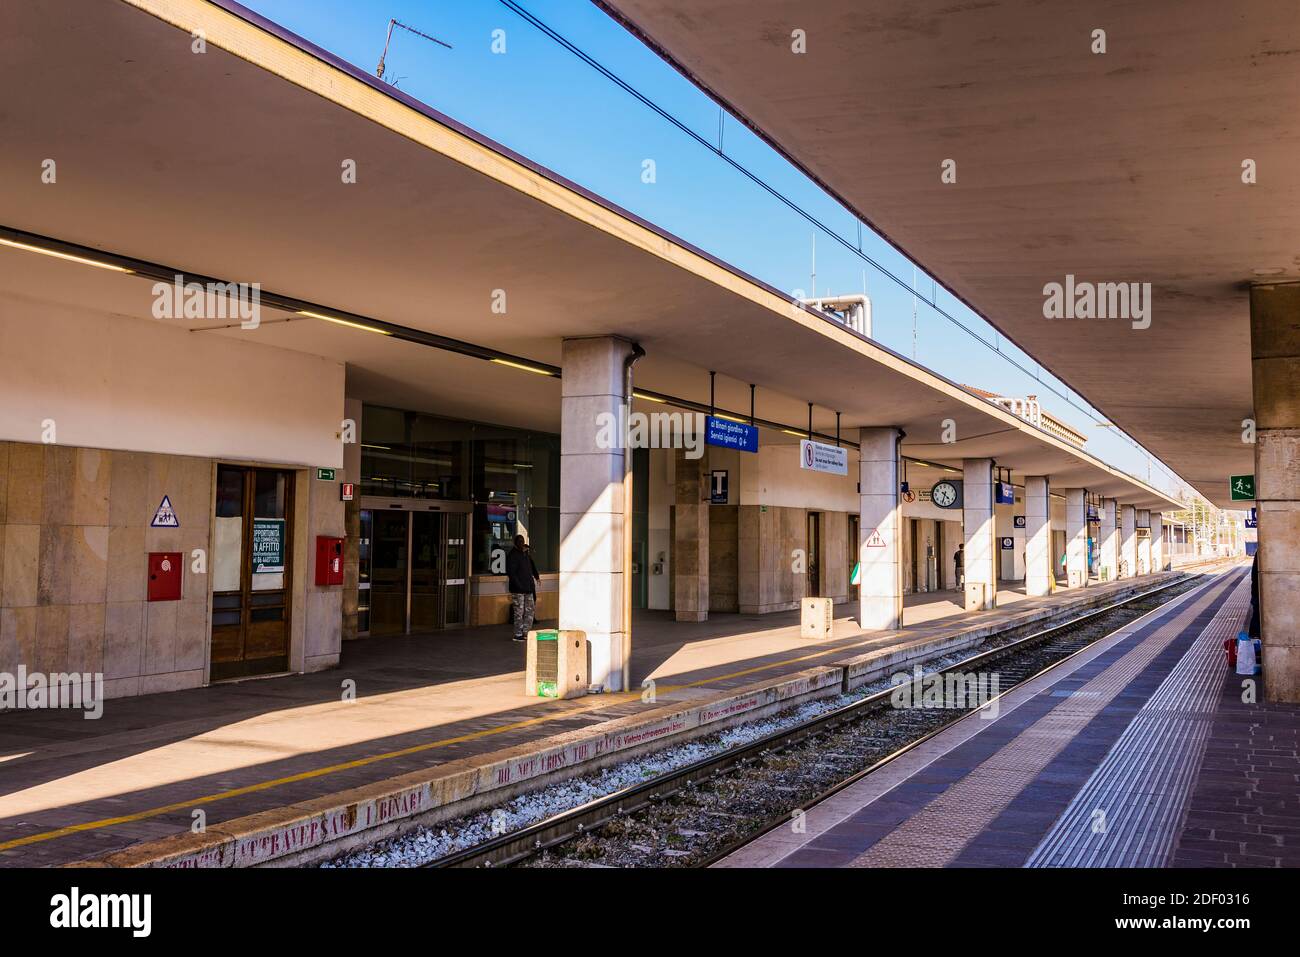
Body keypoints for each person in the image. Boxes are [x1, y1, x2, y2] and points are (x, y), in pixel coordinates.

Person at [506, 534, 541, 642]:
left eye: (523, 541)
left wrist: (536, 576)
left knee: (530, 610)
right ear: (515, 543)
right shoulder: (512, 555)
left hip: (528, 587)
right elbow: (511, 573)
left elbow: (531, 565)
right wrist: (518, 585)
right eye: (519, 541)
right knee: (519, 612)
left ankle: (526, 632)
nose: (522, 543)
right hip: (518, 589)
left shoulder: (525, 554)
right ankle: (518, 634)